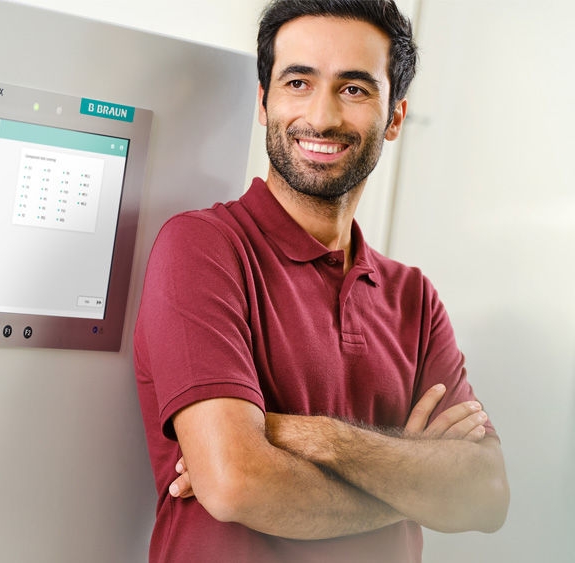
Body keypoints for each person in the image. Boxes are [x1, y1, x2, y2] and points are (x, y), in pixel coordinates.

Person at [132, 1, 510, 561]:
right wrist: (415, 490)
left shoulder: (415, 298)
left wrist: (311, 436)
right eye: (299, 82)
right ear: (264, 101)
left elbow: (485, 495)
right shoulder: (203, 249)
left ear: (395, 117)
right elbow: (236, 482)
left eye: (354, 89)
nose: (323, 116)